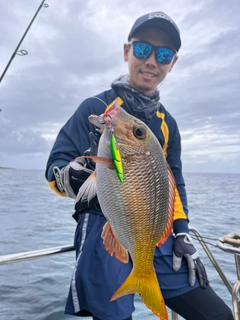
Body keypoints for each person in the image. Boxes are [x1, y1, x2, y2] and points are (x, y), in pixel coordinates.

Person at [45, 11, 234, 320]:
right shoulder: (95, 107)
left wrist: (183, 232)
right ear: (126, 51)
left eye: (164, 54)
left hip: (156, 234)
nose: (152, 61)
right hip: (104, 229)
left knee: (218, 316)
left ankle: (147, 276)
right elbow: (54, 169)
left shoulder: (166, 123)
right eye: (143, 49)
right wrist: (74, 176)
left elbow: (176, 184)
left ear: (172, 63)